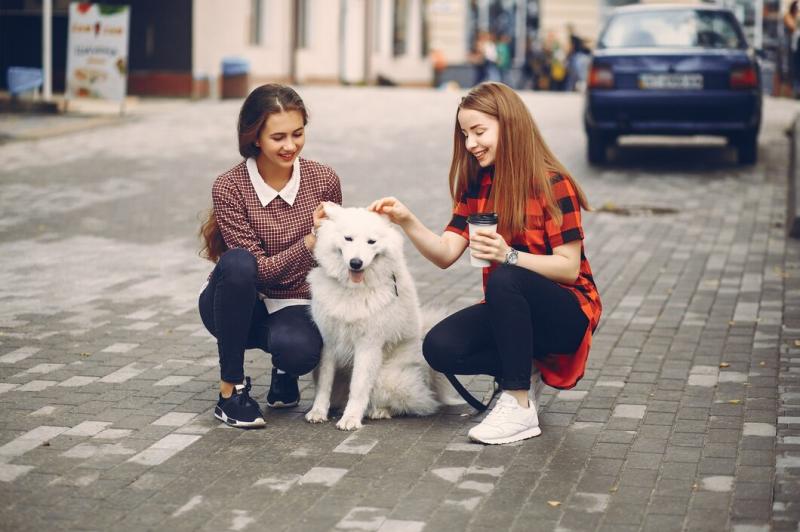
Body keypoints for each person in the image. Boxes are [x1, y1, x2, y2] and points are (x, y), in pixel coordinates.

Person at [369, 82, 601, 445]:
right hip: (509, 305)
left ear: (510, 125)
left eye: (479, 131)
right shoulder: (478, 186)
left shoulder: (553, 183)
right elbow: (446, 253)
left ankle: (519, 405)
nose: (471, 143)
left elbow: (569, 268)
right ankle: (525, 371)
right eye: (464, 134)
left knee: (506, 277)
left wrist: (507, 255)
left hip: (568, 314)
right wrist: (406, 219)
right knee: (440, 347)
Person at [198, 84, 342, 428]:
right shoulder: (230, 186)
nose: (290, 145)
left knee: (300, 352)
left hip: (294, 299)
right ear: (255, 138)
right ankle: (230, 393)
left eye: (298, 133)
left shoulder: (323, 179)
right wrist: (308, 242)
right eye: (278, 137)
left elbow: (332, 254)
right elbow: (256, 271)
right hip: (234, 301)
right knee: (237, 262)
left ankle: (284, 368)